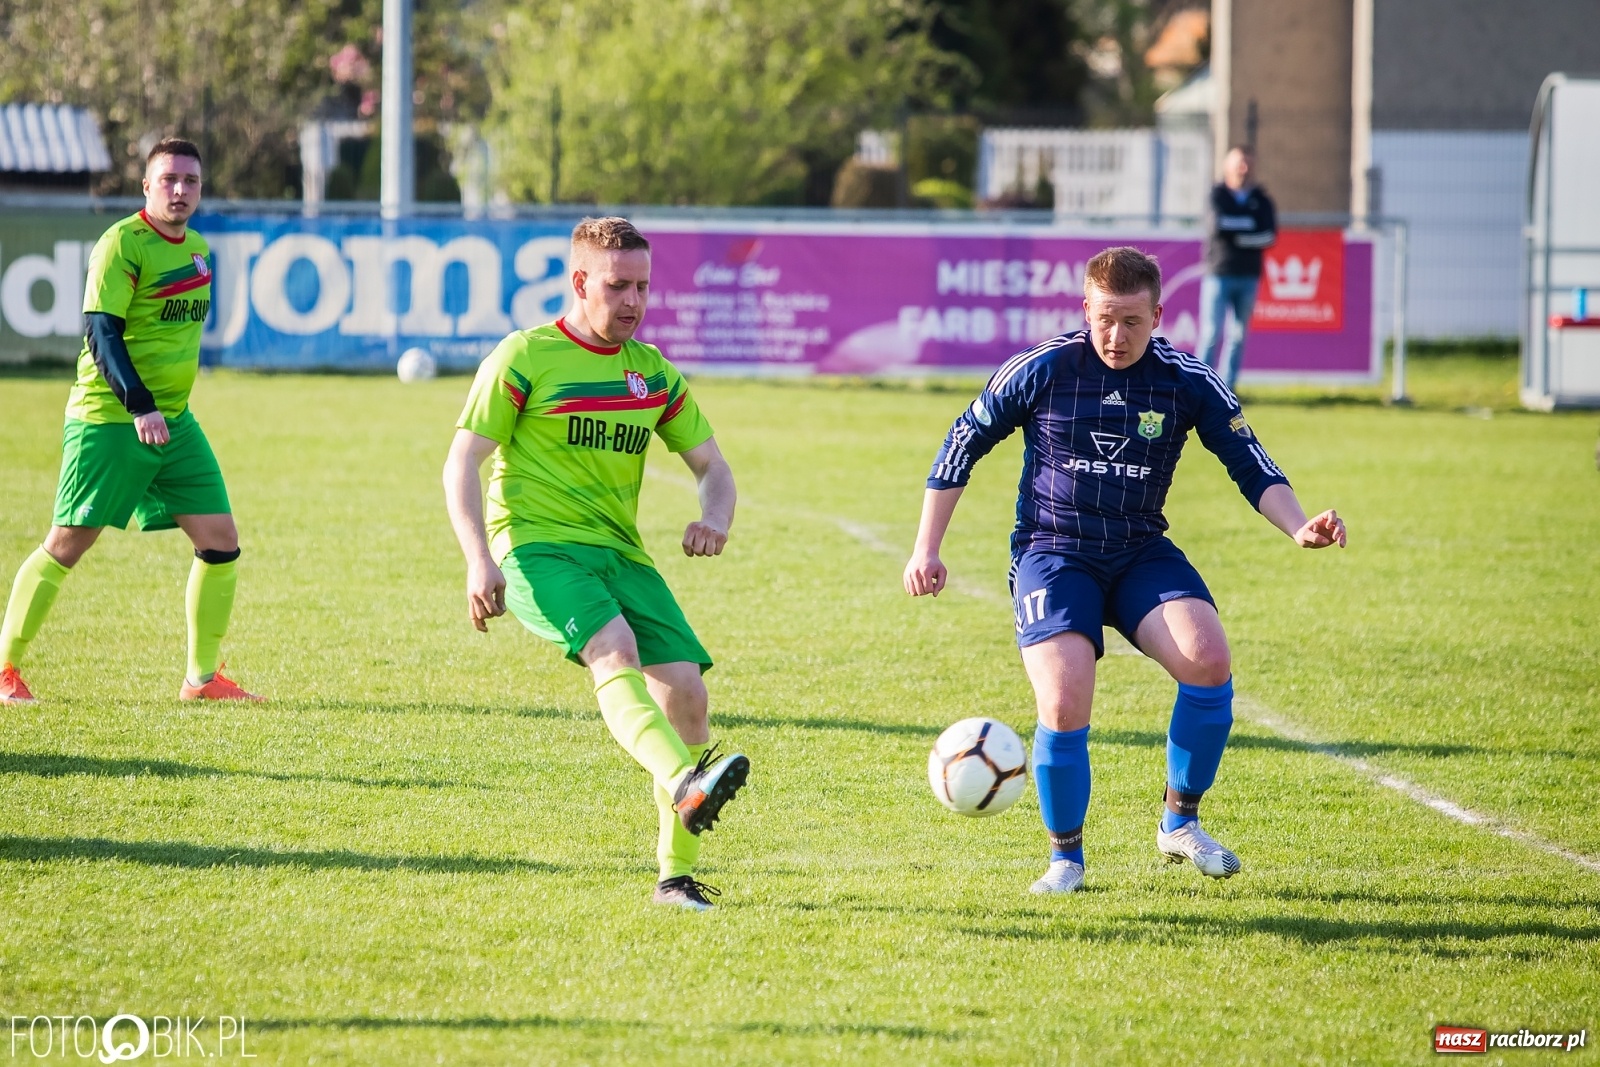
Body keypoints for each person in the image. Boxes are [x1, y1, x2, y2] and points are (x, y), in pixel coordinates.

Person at [903, 246, 1345, 894]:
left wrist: (1298, 523)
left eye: (1133, 321)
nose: (1116, 334)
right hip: (1053, 551)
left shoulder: (1186, 379)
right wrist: (926, 548)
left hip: (1139, 548)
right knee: (1063, 693)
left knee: (1208, 656)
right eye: (1105, 317)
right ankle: (1066, 860)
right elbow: (961, 442)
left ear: (1159, 314)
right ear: (1086, 308)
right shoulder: (1046, 367)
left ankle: (1179, 821)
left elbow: (1251, 461)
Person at [443, 216, 749, 912]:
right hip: (535, 545)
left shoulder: (652, 372)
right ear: (581, 282)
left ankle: (675, 879)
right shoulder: (526, 356)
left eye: (643, 286)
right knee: (613, 648)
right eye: (618, 286)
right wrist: (477, 559)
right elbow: (462, 460)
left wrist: (715, 516)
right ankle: (683, 779)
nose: (634, 302)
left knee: (687, 697)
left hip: (619, 552)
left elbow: (713, 465)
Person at [0, 138, 261, 705]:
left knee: (220, 540)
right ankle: (4, 668)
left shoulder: (198, 250)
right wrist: (139, 405)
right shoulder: (122, 244)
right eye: (168, 179)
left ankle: (201, 678)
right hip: (112, 418)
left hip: (175, 422)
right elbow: (101, 331)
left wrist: (161, 409)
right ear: (146, 186)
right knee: (67, 542)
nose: (180, 190)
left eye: (190, 181)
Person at [1197, 146, 1276, 391]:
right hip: (1219, 273)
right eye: (1239, 163)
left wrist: (1238, 234)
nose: (1244, 168)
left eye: (1248, 163)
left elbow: (1268, 235)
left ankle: (1227, 388)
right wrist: (1248, 228)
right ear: (1227, 166)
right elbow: (1217, 227)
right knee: (1211, 333)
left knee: (1239, 336)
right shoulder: (1216, 195)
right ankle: (1199, 385)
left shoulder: (1261, 199)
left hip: (1249, 276)